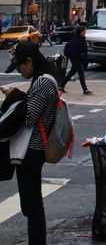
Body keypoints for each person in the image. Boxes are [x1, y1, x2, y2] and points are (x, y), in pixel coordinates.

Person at [0, 42, 57, 245]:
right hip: (32, 149)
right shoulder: (42, 80)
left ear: (30, 61)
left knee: (32, 205)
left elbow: (28, 118)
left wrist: (14, 95)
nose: (19, 70)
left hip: (32, 150)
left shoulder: (43, 83)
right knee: (31, 203)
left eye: (19, 66)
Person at [61, 26, 91, 95]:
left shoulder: (80, 39)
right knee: (81, 73)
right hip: (76, 59)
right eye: (83, 31)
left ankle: (61, 86)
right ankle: (85, 89)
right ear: (80, 32)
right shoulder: (76, 40)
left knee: (71, 73)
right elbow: (77, 49)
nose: (85, 33)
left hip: (77, 59)